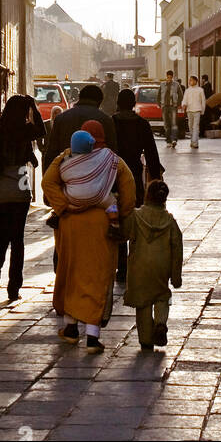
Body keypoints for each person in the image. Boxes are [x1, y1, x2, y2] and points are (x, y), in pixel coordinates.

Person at [42, 119, 136, 353]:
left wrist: (63, 206)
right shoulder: (113, 160)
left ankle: (71, 329)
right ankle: (93, 337)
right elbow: (129, 189)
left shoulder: (66, 158)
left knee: (71, 272)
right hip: (101, 225)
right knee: (97, 276)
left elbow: (47, 182)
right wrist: (120, 217)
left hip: (70, 225)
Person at [0, 93, 45, 303]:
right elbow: (42, 130)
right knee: (18, 241)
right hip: (20, 189)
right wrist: (33, 106)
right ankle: (14, 288)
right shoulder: (24, 131)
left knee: (0, 238)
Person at [123, 178, 183, 350]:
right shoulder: (170, 222)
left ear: (146, 196)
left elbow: (124, 233)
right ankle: (161, 324)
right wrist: (176, 276)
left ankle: (146, 340)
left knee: (142, 303)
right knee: (162, 296)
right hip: (161, 267)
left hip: (139, 267)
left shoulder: (136, 216)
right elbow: (177, 248)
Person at [112, 87, 163, 281]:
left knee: (117, 219)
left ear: (118, 103)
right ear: (133, 104)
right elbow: (151, 152)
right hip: (133, 172)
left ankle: (121, 267)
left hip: (115, 175)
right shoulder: (142, 124)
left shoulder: (112, 122)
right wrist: (156, 178)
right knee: (135, 216)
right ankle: (136, 260)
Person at [41, 83, 117, 169]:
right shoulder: (105, 120)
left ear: (79, 98)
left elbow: (52, 151)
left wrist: (48, 175)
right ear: (99, 101)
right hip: (95, 174)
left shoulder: (61, 118)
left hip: (65, 172)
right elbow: (112, 152)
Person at [157, 71, 183, 149]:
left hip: (173, 106)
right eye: (168, 77)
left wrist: (177, 105)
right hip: (164, 107)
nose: (169, 78)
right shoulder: (162, 84)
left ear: (172, 77)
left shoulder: (176, 84)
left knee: (174, 124)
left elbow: (180, 95)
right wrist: (160, 105)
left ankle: (174, 140)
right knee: (166, 124)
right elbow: (158, 96)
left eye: (170, 77)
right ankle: (168, 141)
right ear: (166, 77)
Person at [182, 76, 206, 149]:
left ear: (196, 81)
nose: (190, 81)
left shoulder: (200, 90)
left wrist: (202, 110)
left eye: (191, 80)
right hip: (189, 110)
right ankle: (193, 141)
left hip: (197, 110)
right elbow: (184, 99)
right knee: (190, 127)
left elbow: (203, 101)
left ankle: (195, 142)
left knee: (196, 127)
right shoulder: (187, 90)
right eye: (189, 80)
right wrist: (183, 104)